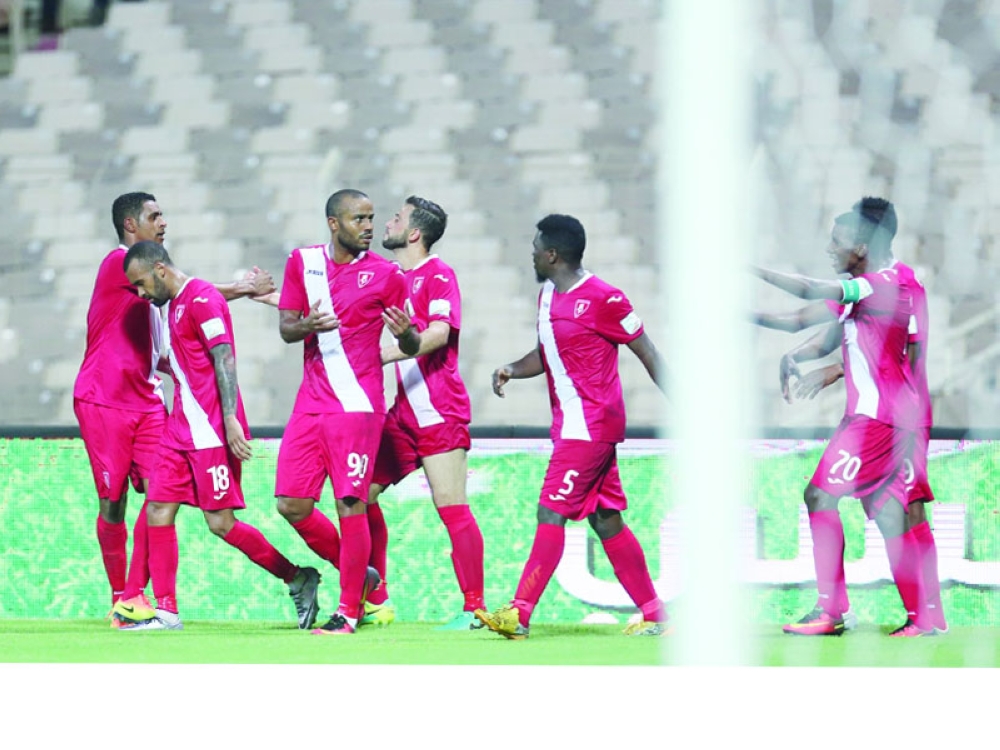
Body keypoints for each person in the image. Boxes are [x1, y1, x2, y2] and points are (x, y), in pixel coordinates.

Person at [74, 191, 277, 626]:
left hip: (148, 399)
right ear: (131, 225)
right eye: (154, 216)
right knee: (113, 503)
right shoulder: (119, 264)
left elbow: (188, 299)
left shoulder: (160, 293)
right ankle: (120, 595)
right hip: (105, 398)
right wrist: (244, 288)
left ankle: (137, 597)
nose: (163, 222)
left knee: (160, 496)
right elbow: (192, 291)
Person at [752, 196, 941, 636]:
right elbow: (807, 324)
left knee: (822, 497)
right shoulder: (875, 285)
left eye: (837, 241)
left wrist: (749, 269)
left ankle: (832, 610)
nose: (829, 248)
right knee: (892, 513)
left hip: (882, 419)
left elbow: (808, 291)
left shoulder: (883, 286)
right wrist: (801, 356)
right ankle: (923, 618)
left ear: (861, 247)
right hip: (881, 416)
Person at [475, 213, 669, 639]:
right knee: (606, 520)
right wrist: (512, 368)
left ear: (552, 255)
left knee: (552, 510)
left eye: (535, 250)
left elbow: (648, 352)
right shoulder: (547, 295)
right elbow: (548, 353)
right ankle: (656, 614)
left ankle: (519, 613)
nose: (530, 256)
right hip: (573, 425)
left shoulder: (605, 298)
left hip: (591, 425)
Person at [111, 240, 320, 631]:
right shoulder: (174, 305)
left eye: (141, 283)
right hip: (179, 430)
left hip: (209, 431)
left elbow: (224, 357)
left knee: (221, 523)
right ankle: (167, 612)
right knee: (157, 510)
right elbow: (187, 361)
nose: (140, 293)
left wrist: (230, 419)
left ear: (159, 270)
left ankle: (296, 576)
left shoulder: (202, 299)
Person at [274, 189, 409, 636]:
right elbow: (286, 328)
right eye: (358, 219)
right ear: (334, 223)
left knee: (349, 502)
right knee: (291, 503)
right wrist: (305, 325)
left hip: (357, 405)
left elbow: (410, 340)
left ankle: (348, 611)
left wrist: (407, 335)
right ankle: (360, 574)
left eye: (371, 218)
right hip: (311, 402)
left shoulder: (388, 275)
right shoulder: (303, 262)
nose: (368, 227)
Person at [362, 196, 487, 631]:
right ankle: (377, 599)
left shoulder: (438, 274)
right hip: (401, 415)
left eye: (397, 218)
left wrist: (386, 352)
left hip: (438, 409)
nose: (387, 222)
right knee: (359, 497)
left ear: (414, 233)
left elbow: (438, 334)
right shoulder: (390, 277)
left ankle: (474, 609)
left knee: (451, 506)